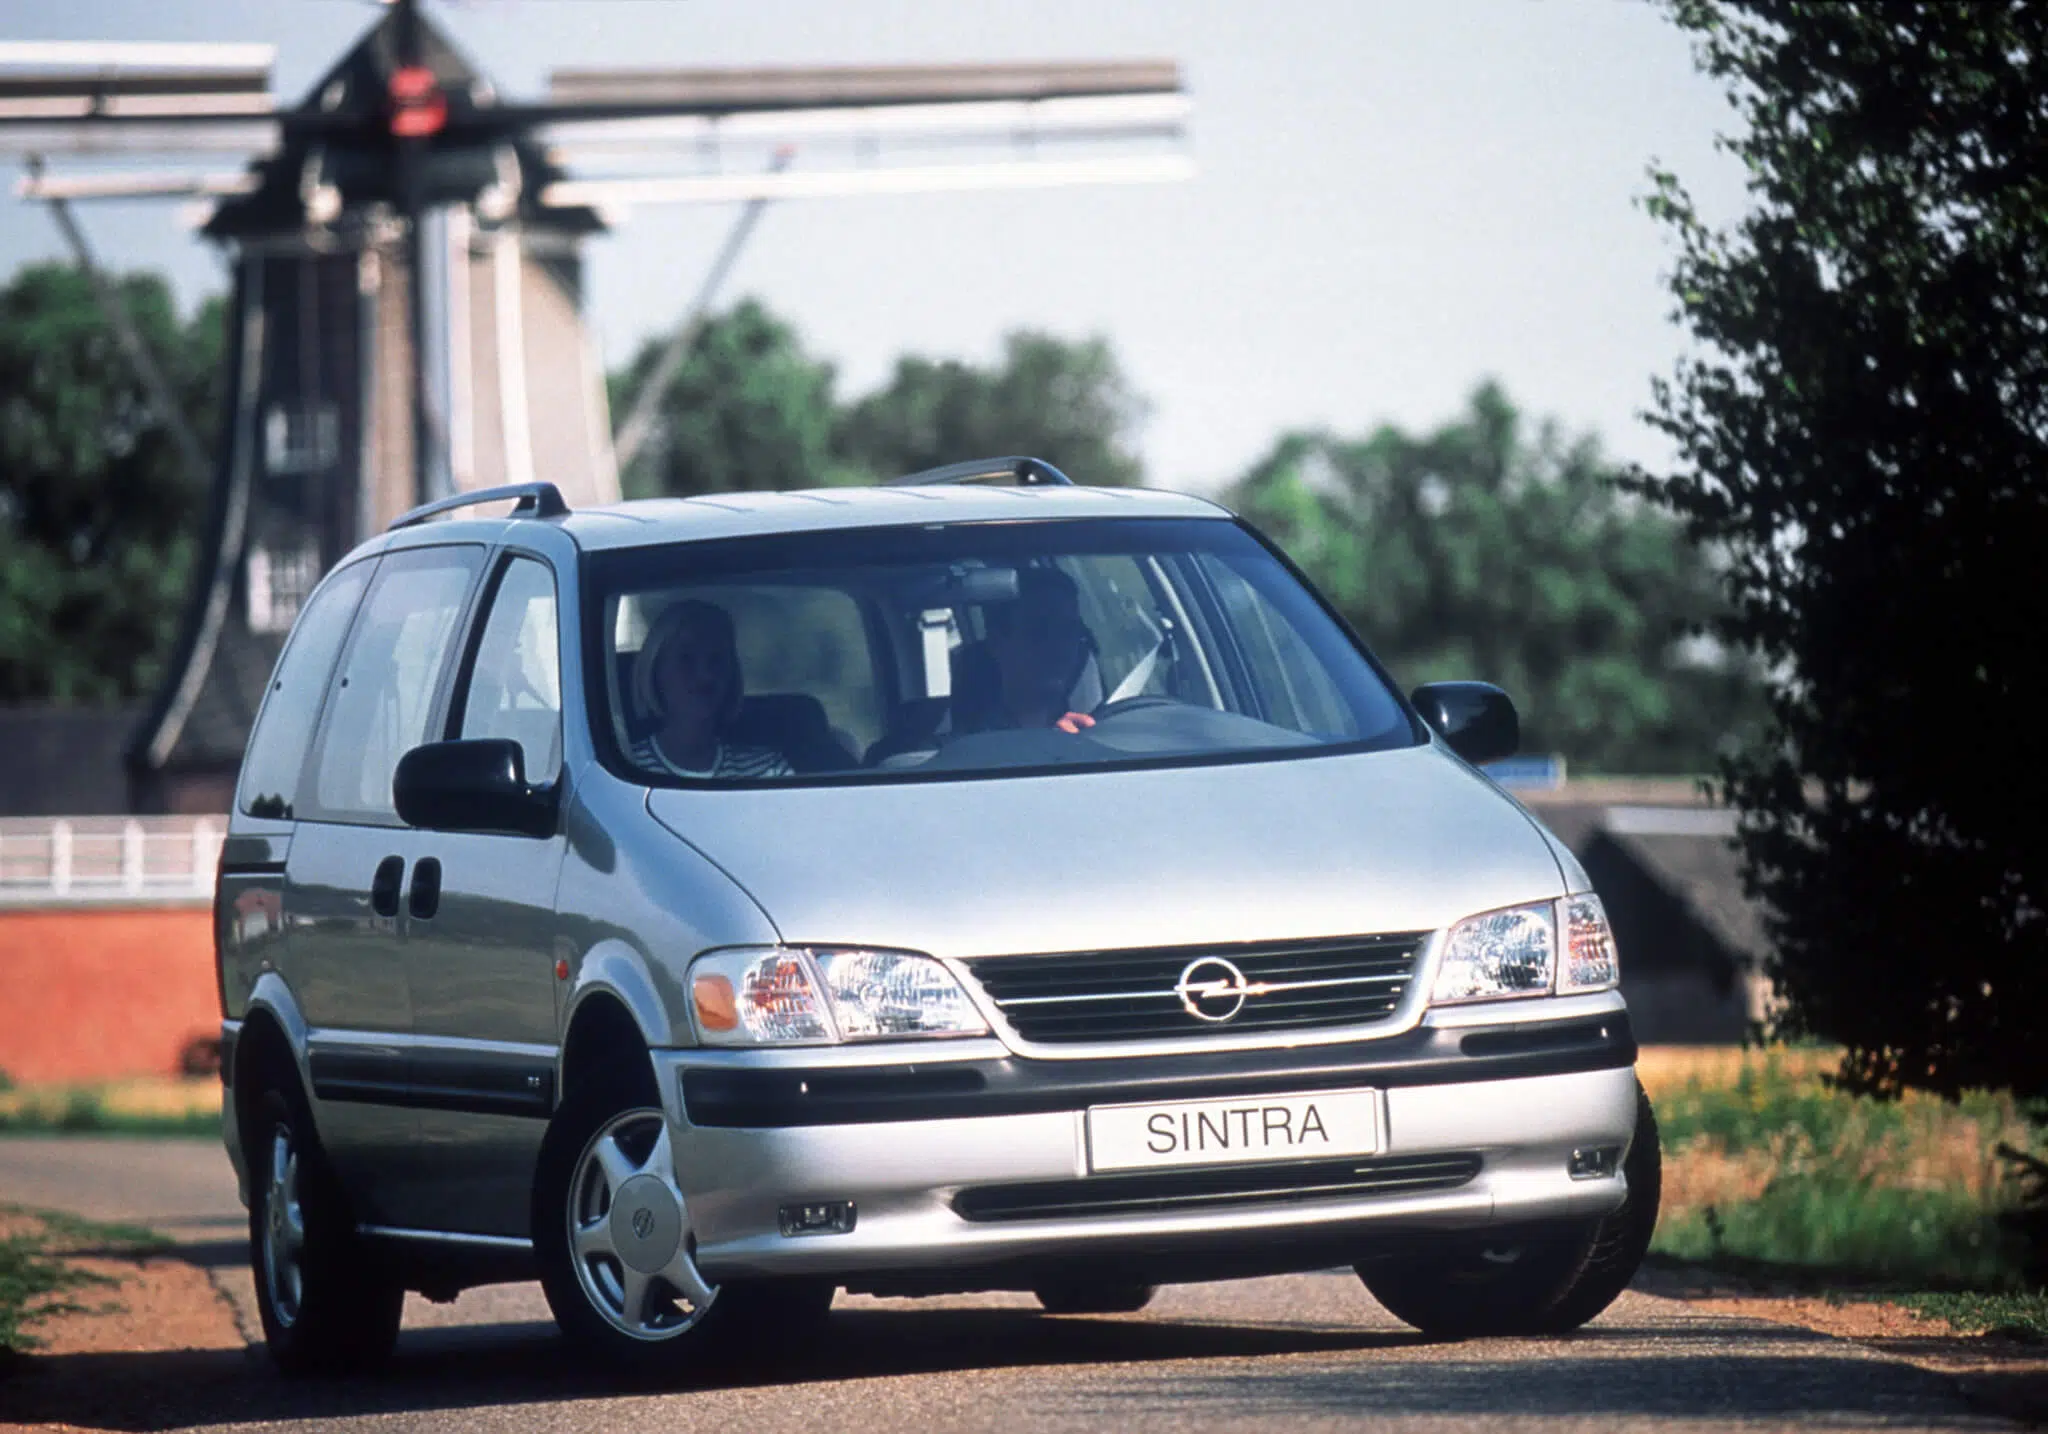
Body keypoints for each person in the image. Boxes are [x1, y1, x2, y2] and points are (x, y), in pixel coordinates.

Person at [628, 600, 793, 779]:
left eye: (717, 660)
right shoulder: (624, 770)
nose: (705, 676)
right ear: (655, 669)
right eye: (686, 659)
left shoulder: (767, 770)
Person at [975, 566, 1099, 735]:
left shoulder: (1100, 728)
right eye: (1040, 630)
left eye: (1069, 631)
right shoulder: (970, 747)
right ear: (997, 642)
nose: (1059, 646)